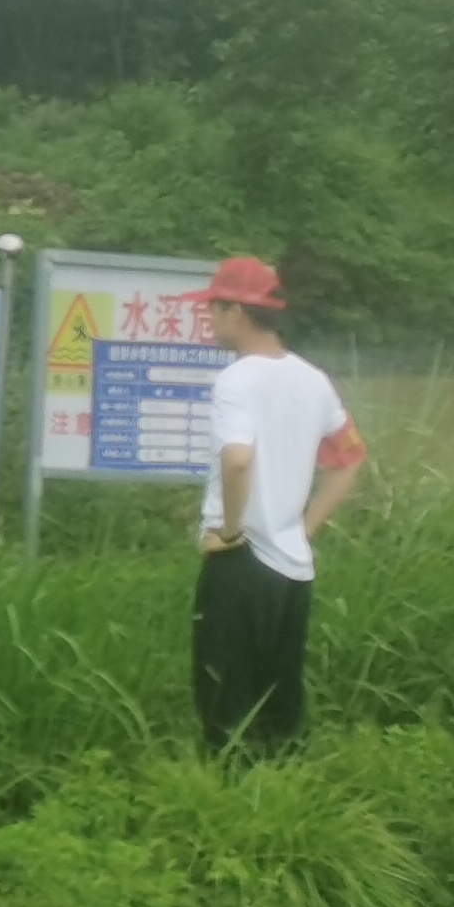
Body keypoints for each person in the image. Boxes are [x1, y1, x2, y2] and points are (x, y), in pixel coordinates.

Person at [181, 254, 366, 756]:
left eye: (213, 310)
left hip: (240, 563)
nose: (210, 319)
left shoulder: (236, 380)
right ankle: (286, 790)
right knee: (279, 696)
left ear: (236, 313)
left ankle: (225, 805)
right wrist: (304, 528)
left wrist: (230, 529)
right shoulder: (313, 379)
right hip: (292, 568)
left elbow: (237, 459)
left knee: (224, 697)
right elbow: (350, 458)